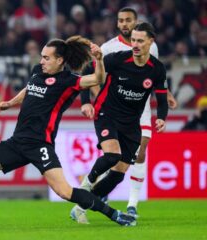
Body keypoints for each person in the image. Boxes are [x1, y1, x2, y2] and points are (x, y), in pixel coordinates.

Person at [0, 36, 137, 227]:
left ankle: (114, 214)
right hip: (17, 142)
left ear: (60, 60)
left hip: (40, 145)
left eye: (46, 58)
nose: (41, 61)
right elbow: (30, 88)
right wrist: (10, 102)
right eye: (42, 56)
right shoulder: (37, 72)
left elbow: (97, 79)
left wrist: (99, 60)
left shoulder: (69, 81)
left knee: (64, 191)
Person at [74, 7, 177, 222]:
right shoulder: (115, 56)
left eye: (141, 41)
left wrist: (162, 117)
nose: (136, 45)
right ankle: (86, 185)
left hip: (134, 118)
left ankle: (84, 204)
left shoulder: (157, 67)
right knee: (112, 156)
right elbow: (88, 72)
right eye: (134, 41)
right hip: (108, 112)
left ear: (150, 42)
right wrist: (86, 102)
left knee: (118, 174)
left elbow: (159, 91)